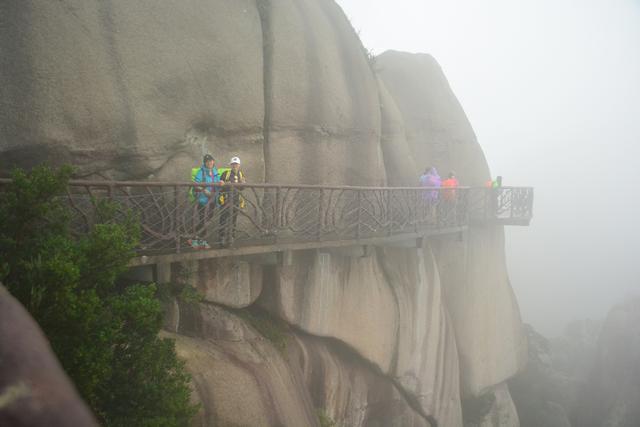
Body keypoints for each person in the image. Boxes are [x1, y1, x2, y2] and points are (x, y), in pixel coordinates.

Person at [189, 154, 220, 249]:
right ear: (205, 163)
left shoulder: (215, 172)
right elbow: (195, 184)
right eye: (207, 161)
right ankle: (199, 240)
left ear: (213, 161)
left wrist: (221, 183)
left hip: (212, 200)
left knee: (207, 220)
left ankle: (194, 237)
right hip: (202, 201)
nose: (210, 163)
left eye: (211, 161)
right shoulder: (201, 172)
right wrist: (204, 190)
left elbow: (218, 183)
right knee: (203, 220)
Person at [218, 156, 246, 245]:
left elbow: (242, 188)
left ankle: (231, 237)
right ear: (231, 165)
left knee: (233, 219)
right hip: (225, 200)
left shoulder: (241, 174)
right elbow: (220, 187)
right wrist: (225, 184)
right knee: (223, 219)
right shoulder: (225, 173)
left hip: (236, 200)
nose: (234, 166)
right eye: (233, 164)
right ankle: (222, 238)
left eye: (236, 164)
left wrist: (243, 184)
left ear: (239, 165)